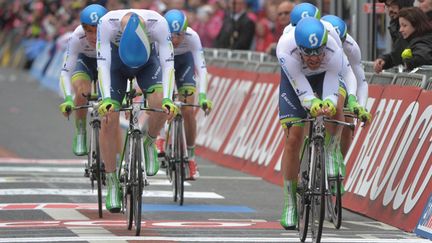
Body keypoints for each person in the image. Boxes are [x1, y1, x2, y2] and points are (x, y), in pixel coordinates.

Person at [96, 9, 178, 213]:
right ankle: (112, 179)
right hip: (116, 63)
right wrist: (107, 99)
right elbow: (103, 65)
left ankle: (150, 140)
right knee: (108, 117)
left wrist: (168, 98)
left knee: (159, 103)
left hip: (147, 62)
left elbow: (168, 65)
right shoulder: (107, 23)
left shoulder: (158, 23)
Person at [276, 17, 345, 230]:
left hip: (325, 77)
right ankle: (289, 202)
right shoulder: (285, 48)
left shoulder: (335, 48)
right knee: (293, 137)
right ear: (299, 47)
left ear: (325, 44)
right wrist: (312, 102)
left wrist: (329, 103)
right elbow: (301, 88)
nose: (314, 58)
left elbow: (333, 87)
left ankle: (332, 150)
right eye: (308, 52)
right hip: (295, 80)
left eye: (318, 51)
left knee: (337, 108)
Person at [160, 9, 213, 180]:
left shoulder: (192, 37)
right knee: (160, 101)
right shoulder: (158, 35)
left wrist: (203, 95)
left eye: (179, 35)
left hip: (184, 64)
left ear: (186, 31)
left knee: (188, 110)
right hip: (162, 63)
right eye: (172, 35)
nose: (175, 40)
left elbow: (202, 68)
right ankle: (160, 137)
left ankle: (190, 157)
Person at [321, 15, 372, 160]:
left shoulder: (351, 46)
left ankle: (338, 164)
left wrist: (360, 106)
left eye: (341, 41)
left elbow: (360, 81)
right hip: (318, 73)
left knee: (347, 121)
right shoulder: (317, 44)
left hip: (340, 76)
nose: (337, 44)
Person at [59, 4, 108, 156]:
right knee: (82, 92)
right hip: (85, 62)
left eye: (97, 31)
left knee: (109, 101)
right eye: (89, 31)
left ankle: (110, 141)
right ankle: (80, 131)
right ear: (83, 29)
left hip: (105, 66)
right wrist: (68, 98)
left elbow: (124, 69)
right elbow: (65, 72)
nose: (93, 37)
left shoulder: (114, 35)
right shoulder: (76, 37)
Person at [374, 0, 414, 73]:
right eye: (387, 5)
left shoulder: (415, 25)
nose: (390, 10)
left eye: (393, 5)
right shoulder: (394, 25)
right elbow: (397, 54)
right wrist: (384, 60)